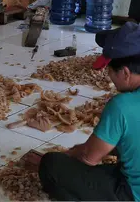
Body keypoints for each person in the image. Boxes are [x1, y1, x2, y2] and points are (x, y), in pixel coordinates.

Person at [38, 22, 140, 201]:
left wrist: (71, 154)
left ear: (125, 73)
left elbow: (89, 158)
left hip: (133, 193)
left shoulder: (122, 105)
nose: (109, 78)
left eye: (110, 72)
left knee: (51, 165)